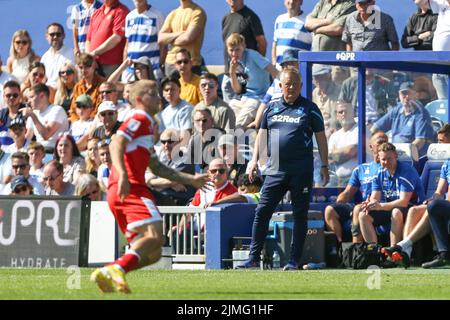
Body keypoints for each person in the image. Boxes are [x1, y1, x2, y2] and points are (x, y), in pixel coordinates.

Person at [90, 79, 210, 294]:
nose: (158, 97)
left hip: (121, 191)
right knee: (156, 236)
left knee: (153, 252)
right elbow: (116, 142)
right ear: (139, 99)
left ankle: (112, 270)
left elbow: (156, 167)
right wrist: (124, 175)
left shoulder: (147, 129)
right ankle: (116, 268)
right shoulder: (140, 117)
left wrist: (190, 180)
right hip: (131, 188)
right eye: (152, 94)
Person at [237, 67, 330, 270]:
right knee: (262, 211)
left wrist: (324, 165)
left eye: (295, 84)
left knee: (299, 215)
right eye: (287, 84)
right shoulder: (271, 108)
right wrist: (253, 161)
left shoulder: (310, 108)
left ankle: (293, 261)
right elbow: (261, 136)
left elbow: (321, 138)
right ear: (280, 86)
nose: (291, 88)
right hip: (275, 169)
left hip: (301, 170)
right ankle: (253, 258)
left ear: (301, 86)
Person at [381, 124, 450, 268]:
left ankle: (403, 246)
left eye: (442, 141)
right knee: (417, 209)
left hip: (446, 205)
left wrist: (435, 203)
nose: (438, 145)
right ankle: (407, 251)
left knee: (434, 206)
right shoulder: (446, 164)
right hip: (445, 205)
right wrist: (433, 199)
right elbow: (439, 192)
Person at [324, 131, 388, 243]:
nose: (383, 145)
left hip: (379, 206)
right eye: (380, 142)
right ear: (371, 147)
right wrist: (341, 198)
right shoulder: (361, 169)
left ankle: (355, 251)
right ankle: (338, 249)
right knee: (330, 210)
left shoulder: (390, 167)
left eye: (385, 142)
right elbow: (348, 192)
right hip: (361, 204)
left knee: (358, 209)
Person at [359, 142, 425, 246]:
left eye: (389, 158)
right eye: (383, 159)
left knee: (396, 212)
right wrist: (370, 204)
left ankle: (394, 253)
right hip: (391, 207)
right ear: (378, 159)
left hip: (413, 207)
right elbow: (375, 198)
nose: (386, 162)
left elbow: (403, 202)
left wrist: (380, 206)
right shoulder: (379, 173)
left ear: (396, 156)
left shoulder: (406, 171)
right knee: (363, 215)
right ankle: (374, 253)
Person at [225, 33, 279, 129]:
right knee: (229, 111)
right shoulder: (235, 63)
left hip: (258, 98)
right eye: (231, 50)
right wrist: (232, 72)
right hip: (244, 98)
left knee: (238, 125)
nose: (234, 54)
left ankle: (233, 139)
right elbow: (238, 90)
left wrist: (276, 94)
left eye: (237, 49)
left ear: (244, 46)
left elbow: (274, 71)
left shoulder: (253, 55)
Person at [371, 81, 436, 157]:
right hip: (394, 153)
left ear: (415, 95)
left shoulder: (421, 113)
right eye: (404, 93)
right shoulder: (397, 109)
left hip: (413, 157)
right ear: (399, 96)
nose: (407, 97)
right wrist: (377, 146)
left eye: (409, 93)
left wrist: (400, 155)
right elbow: (375, 129)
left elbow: (419, 142)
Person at [222, 0, 267, 89]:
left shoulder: (251, 17)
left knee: (245, 102)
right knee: (229, 103)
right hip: (229, 74)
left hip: (246, 76)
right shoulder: (225, 18)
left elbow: (262, 43)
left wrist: (256, 67)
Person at [146, 128, 196, 206]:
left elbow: (171, 180)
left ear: (179, 141)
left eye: (170, 141)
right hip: (165, 202)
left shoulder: (185, 158)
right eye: (163, 142)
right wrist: (170, 185)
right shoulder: (165, 160)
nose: (166, 145)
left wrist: (151, 182)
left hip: (179, 204)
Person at [158, 0, 206, 77]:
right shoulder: (173, 14)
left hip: (190, 64)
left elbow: (187, 38)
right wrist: (179, 33)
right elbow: (160, 39)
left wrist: (169, 39)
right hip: (171, 64)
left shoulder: (198, 12)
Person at [86, 0, 129, 78]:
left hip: (111, 65)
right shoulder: (96, 13)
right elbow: (88, 40)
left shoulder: (122, 11)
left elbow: (117, 37)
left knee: (110, 89)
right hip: (94, 64)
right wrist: (89, 58)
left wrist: (95, 53)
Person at [124, 0, 165, 82]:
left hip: (151, 70)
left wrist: (159, 65)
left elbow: (163, 45)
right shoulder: (129, 16)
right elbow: (127, 45)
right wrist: (125, 67)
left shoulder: (157, 15)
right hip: (131, 72)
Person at [22, 83, 69, 153]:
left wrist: (33, 116)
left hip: (55, 151)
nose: (28, 101)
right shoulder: (34, 113)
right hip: (38, 151)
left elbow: (46, 135)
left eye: (31, 97)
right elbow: (28, 136)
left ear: (42, 96)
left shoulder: (57, 110)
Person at [272, 0, 312, 68]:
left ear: (301, 2)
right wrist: (274, 64)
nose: (291, 2)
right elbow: (275, 44)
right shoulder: (279, 19)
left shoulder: (308, 21)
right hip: (279, 73)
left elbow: (314, 48)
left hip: (298, 73)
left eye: (295, 0)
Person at [328, 101, 358, 186]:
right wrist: (342, 153)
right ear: (337, 116)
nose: (343, 114)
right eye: (340, 112)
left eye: (347, 111)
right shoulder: (334, 136)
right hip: (337, 179)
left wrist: (334, 154)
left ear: (353, 113)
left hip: (355, 180)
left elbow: (351, 151)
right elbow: (329, 160)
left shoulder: (360, 129)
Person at [69, 53, 105, 122]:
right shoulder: (77, 86)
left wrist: (87, 122)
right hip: (78, 123)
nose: (83, 70)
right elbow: (73, 110)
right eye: (81, 67)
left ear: (94, 66)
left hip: (95, 122)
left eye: (87, 67)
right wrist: (77, 122)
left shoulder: (101, 84)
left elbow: (99, 109)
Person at [187, 107, 225, 172]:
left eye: (204, 120)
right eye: (198, 121)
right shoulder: (194, 140)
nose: (201, 123)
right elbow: (190, 165)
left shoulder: (221, 137)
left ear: (212, 121)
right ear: (193, 124)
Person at [40, 23, 75, 88]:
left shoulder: (72, 53)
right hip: (47, 92)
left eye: (58, 34)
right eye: (52, 34)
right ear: (46, 37)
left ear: (63, 36)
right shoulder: (44, 57)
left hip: (64, 90)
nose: (55, 37)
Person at [311, 64, 341, 138]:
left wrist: (330, 130)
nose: (317, 80)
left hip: (335, 131)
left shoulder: (339, 91)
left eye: (321, 77)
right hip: (318, 131)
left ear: (328, 76)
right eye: (315, 77)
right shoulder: (315, 92)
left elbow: (340, 117)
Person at [159, 76, 193, 141]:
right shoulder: (164, 112)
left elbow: (185, 137)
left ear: (179, 91)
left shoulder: (186, 109)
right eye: (166, 90)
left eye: (172, 89)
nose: (169, 92)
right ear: (163, 93)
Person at [0, 80, 25, 148]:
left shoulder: (27, 112)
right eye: (8, 95)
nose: (11, 98)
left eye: (15, 95)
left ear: (20, 95)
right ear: (4, 97)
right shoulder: (1, 114)